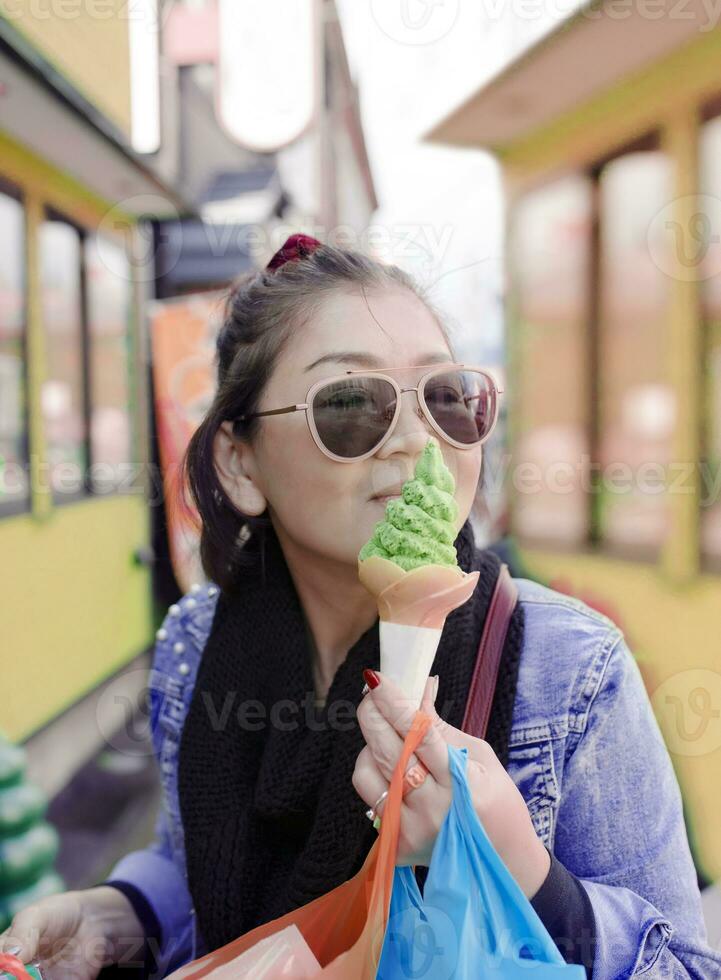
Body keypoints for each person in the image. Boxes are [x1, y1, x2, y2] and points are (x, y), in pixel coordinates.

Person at [2, 235, 719, 980]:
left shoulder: (568, 666)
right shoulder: (197, 640)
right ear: (239, 464)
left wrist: (522, 873)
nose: (416, 440)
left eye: (447, 398)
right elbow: (197, 862)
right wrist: (124, 915)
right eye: (349, 403)